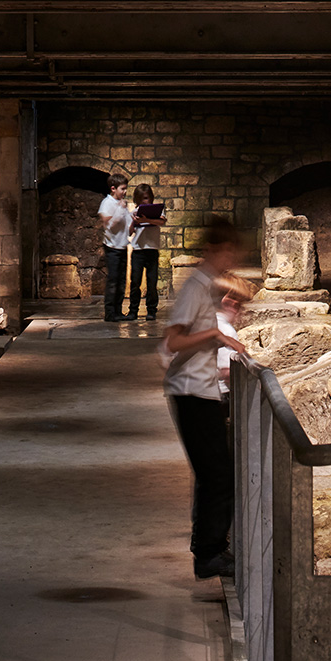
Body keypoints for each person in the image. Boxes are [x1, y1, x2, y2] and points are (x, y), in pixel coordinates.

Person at [163, 221, 248, 580]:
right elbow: (173, 341)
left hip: (201, 390)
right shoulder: (195, 289)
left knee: (216, 474)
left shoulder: (207, 288)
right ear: (215, 248)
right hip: (190, 392)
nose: (232, 258)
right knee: (218, 475)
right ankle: (209, 554)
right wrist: (215, 334)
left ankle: (211, 550)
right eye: (229, 250)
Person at [125, 184, 164, 321]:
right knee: (135, 282)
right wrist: (134, 222)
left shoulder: (157, 211)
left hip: (152, 250)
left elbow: (162, 222)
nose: (144, 202)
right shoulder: (134, 212)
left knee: (151, 282)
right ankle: (133, 310)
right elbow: (129, 232)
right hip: (138, 250)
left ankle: (151, 310)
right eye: (141, 199)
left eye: (146, 198)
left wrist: (146, 220)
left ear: (151, 198)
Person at [97, 172, 133, 322]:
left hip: (122, 246)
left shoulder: (122, 204)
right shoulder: (108, 202)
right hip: (112, 247)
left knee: (122, 281)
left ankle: (118, 311)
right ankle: (110, 313)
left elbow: (128, 226)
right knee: (113, 280)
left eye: (125, 189)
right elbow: (109, 223)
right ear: (113, 188)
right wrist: (120, 209)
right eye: (122, 189)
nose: (125, 192)